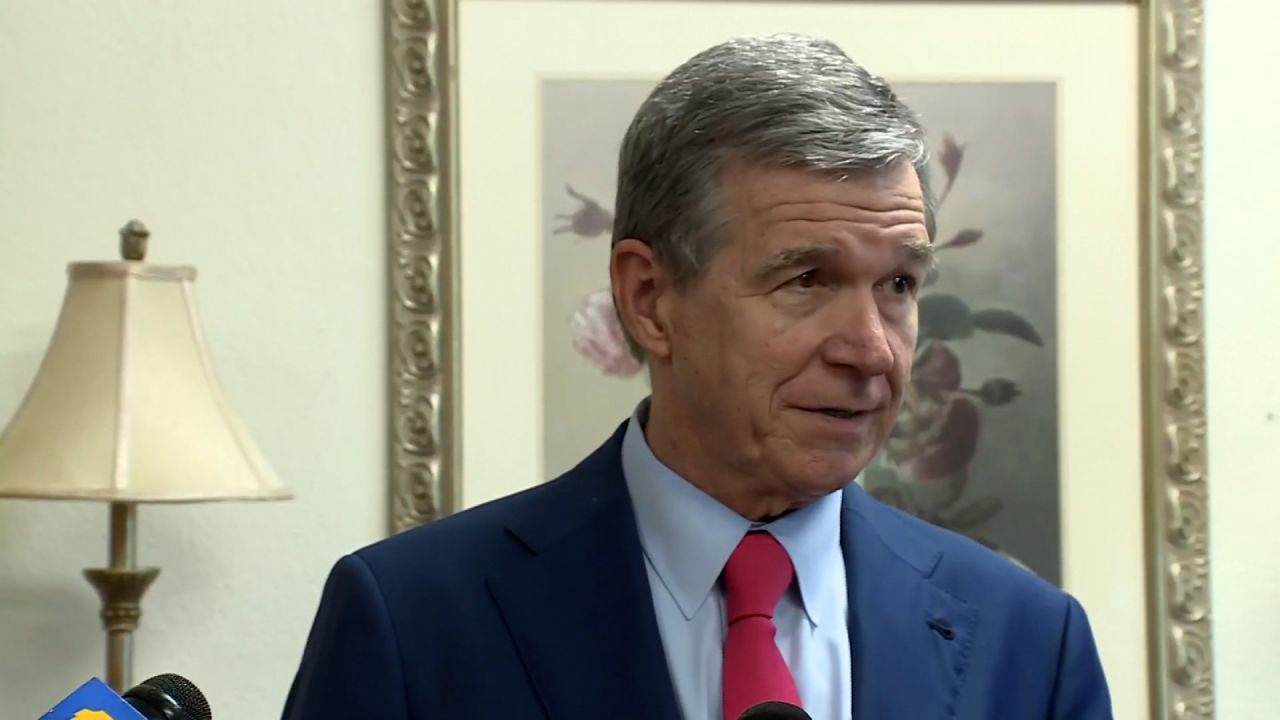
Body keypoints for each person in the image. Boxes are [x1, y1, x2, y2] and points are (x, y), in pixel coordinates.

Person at [281, 32, 1112, 720]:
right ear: (649, 299)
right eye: (806, 280)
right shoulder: (414, 622)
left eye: (898, 284)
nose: (871, 349)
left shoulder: (1030, 646)